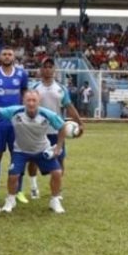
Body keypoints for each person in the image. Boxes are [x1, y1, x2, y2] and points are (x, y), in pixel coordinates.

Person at [21, 57, 83, 200]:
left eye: (50, 67)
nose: (48, 69)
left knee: (60, 160)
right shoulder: (35, 88)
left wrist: (79, 123)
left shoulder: (61, 89)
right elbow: (26, 107)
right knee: (33, 161)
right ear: (41, 70)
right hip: (37, 131)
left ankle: (57, 190)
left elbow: (69, 107)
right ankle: (34, 187)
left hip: (56, 131)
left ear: (54, 70)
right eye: (45, 67)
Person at [0, 90, 70, 214]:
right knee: (13, 175)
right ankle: (10, 200)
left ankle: (55, 200)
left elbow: (62, 126)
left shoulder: (47, 114)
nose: (31, 103)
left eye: (34, 100)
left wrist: (58, 147)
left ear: (39, 102)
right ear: (23, 101)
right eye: (28, 100)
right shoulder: (15, 111)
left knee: (57, 172)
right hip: (20, 150)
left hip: (42, 150)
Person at [0, 47, 29, 202]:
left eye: (10, 54)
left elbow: (24, 95)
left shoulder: (22, 74)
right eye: (4, 54)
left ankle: (18, 191)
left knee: (18, 156)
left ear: (14, 57)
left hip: (17, 123)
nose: (7, 57)